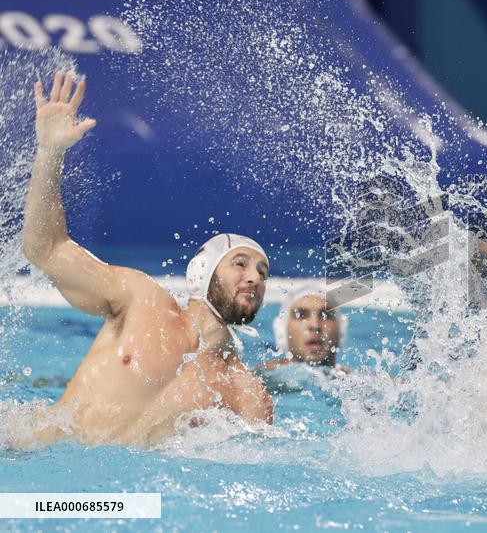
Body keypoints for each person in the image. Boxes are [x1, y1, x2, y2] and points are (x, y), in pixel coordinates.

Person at [15, 72, 273, 449]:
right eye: (240, 263)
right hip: (29, 452)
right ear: (203, 271)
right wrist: (50, 153)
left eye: (263, 272)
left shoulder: (248, 395)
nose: (254, 277)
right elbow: (46, 248)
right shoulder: (140, 299)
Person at [260, 283, 349, 374]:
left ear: (341, 330)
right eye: (301, 315)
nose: (315, 325)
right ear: (281, 331)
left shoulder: (352, 378)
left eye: (325, 315)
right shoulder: (260, 377)